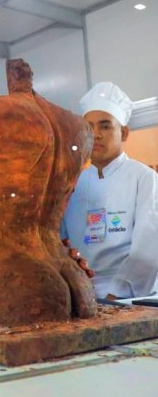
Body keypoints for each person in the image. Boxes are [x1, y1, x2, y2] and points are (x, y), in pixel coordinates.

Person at [62, 81, 158, 300]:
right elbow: (60, 241)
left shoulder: (143, 178)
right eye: (89, 127)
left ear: (123, 133)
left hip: (132, 297)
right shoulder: (72, 184)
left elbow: (149, 248)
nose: (96, 134)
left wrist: (118, 293)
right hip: (81, 294)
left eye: (105, 126)